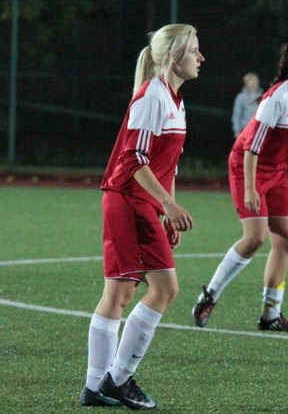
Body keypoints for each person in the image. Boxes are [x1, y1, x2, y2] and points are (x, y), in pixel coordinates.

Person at [79, 24, 204, 410]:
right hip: (128, 198)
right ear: (172, 57)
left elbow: (167, 165)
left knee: (120, 293)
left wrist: (167, 206)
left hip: (140, 200)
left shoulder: (174, 100)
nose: (201, 58)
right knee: (164, 288)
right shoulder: (152, 96)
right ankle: (116, 380)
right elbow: (134, 160)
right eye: (194, 51)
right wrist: (166, 204)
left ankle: (95, 388)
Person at [192, 39, 288, 332]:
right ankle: (209, 295)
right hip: (246, 166)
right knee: (255, 238)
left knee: (285, 239)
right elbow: (251, 148)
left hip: (276, 172)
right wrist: (251, 189)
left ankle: (270, 315)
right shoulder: (277, 97)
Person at [231, 72, 263, 138]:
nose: (253, 83)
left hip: (259, 131)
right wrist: (237, 131)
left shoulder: (263, 96)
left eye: (255, 81)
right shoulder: (241, 97)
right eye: (251, 81)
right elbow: (237, 115)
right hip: (245, 130)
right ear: (246, 83)